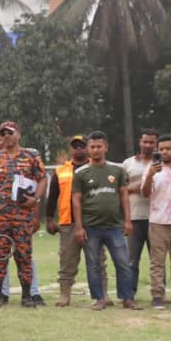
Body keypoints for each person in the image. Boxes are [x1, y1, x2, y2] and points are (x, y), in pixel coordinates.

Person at [0, 121, 46, 308]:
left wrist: (36, 199)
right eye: (3, 133)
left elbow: (42, 180)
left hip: (23, 216)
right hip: (0, 215)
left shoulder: (31, 156)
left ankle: (26, 295)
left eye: (10, 133)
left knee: (24, 255)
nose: (6, 136)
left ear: (18, 135)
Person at [72, 131, 141, 311]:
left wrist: (128, 220)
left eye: (99, 147)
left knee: (123, 263)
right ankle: (99, 298)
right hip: (91, 226)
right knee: (93, 264)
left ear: (106, 148)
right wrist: (79, 227)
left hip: (114, 226)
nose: (96, 150)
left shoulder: (117, 170)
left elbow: (124, 196)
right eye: (92, 147)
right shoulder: (80, 173)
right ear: (88, 149)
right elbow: (76, 201)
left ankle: (127, 298)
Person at [46, 135, 111, 307]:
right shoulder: (61, 171)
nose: (79, 149)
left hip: (93, 221)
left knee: (97, 259)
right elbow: (52, 196)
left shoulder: (97, 167)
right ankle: (64, 294)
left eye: (82, 145)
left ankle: (103, 293)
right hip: (68, 222)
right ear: (71, 149)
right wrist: (49, 219)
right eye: (75, 146)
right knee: (67, 259)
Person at [141, 134, 171, 310]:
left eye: (168, 148)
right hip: (158, 221)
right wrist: (150, 176)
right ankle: (157, 296)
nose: (164, 152)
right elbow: (145, 193)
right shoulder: (151, 169)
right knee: (157, 262)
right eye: (161, 149)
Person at [122, 128, 158, 296]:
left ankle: (159, 293)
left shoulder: (161, 164)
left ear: (156, 144)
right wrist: (137, 187)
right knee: (131, 260)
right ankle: (130, 294)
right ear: (139, 142)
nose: (148, 145)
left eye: (151, 142)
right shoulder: (128, 164)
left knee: (156, 260)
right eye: (145, 141)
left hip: (157, 218)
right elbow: (120, 190)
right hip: (134, 217)